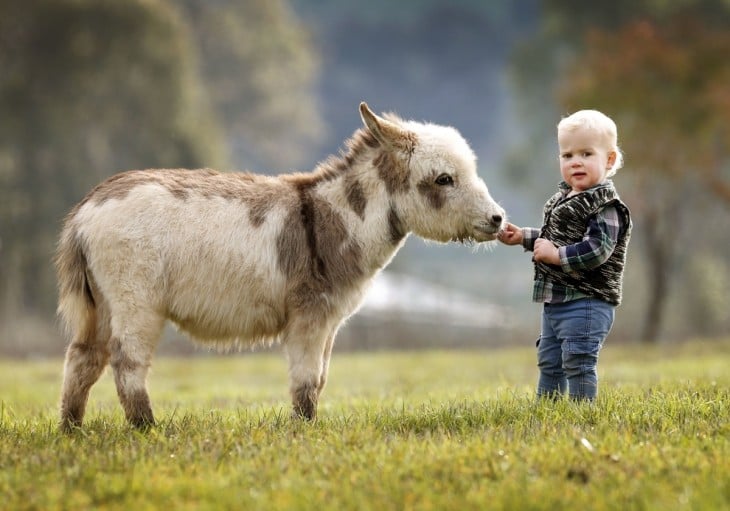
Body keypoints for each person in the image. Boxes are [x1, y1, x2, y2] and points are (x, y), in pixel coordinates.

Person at [498, 109, 632, 401]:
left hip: (587, 301)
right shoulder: (564, 198)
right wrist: (523, 237)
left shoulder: (605, 205)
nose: (576, 162)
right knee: (549, 361)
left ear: (609, 160)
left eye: (586, 153)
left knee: (578, 362)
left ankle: (582, 414)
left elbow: (598, 250)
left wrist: (557, 255)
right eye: (567, 155)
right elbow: (554, 239)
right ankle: (548, 409)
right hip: (556, 299)